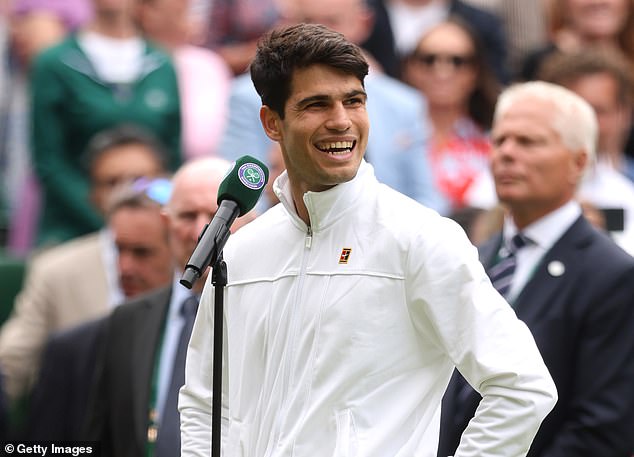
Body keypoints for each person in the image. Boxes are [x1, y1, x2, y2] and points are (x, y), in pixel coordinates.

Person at [179, 23, 557, 456]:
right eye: (316, 105)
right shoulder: (242, 253)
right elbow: (204, 403)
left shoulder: (421, 237)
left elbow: (522, 387)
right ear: (272, 122)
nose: (341, 121)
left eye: (353, 101)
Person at [438, 81, 634, 457]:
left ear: (579, 162)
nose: (507, 154)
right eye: (500, 140)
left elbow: (602, 428)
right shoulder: (471, 258)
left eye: (528, 142)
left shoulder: (613, 276)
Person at [86, 157, 256, 457]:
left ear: (250, 223)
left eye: (220, 216)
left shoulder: (268, 313)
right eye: (188, 215)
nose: (201, 231)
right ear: (166, 223)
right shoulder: (129, 320)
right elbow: (104, 435)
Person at [218, 0, 446, 213]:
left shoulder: (404, 103)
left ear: (363, 24)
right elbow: (242, 200)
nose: (319, 35)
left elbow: (429, 200)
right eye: (307, 22)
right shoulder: (251, 96)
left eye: (353, 102)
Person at [0, 124, 171, 405]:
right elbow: (12, 364)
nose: (127, 191)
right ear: (93, 196)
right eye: (112, 182)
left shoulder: (191, 260)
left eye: (141, 180)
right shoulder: (56, 271)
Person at [26, 178, 175, 441]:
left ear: (178, 251)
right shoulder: (70, 350)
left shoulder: (205, 337)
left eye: (142, 253)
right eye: (119, 250)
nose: (124, 268)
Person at [30, 0, 182, 247]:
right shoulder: (54, 63)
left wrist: (151, 214)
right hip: (74, 231)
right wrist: (108, 218)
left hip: (150, 233)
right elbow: (49, 161)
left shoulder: (162, 63)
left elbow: (172, 156)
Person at [401, 17, 500, 212]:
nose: (442, 70)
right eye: (429, 59)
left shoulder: (497, 141)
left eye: (457, 61)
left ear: (475, 72)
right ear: (411, 68)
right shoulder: (382, 135)